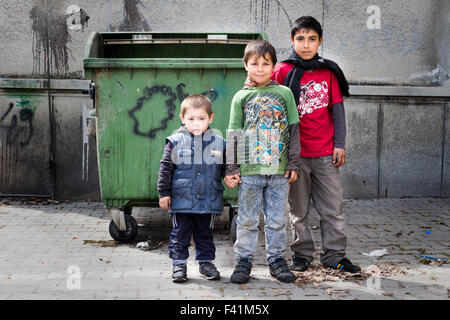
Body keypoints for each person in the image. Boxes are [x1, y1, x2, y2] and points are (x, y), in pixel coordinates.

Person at [271, 16, 361, 273]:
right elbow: (272, 107)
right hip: (295, 155)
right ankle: (301, 254)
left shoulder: (328, 72)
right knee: (298, 209)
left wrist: (340, 144)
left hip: (325, 153)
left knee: (332, 207)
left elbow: (338, 111)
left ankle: (334, 255)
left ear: (320, 41)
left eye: (312, 39)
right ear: (292, 40)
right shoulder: (282, 71)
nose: (306, 44)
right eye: (300, 39)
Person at [225, 39, 301, 284]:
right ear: (245, 65)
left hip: (279, 172)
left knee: (277, 219)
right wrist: (232, 167)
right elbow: (233, 133)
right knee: (247, 219)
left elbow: (294, 129)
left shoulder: (284, 93)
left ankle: (277, 260)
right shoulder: (241, 97)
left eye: (265, 64)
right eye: (254, 63)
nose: (260, 68)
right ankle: (243, 261)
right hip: (250, 172)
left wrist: (293, 163)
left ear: (274, 66)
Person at [157, 94, 226, 283]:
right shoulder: (175, 141)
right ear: (182, 119)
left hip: (208, 199)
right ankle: (179, 265)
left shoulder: (219, 143)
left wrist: (230, 176)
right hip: (182, 200)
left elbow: (226, 166)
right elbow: (166, 168)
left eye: (202, 119)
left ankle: (205, 263)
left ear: (211, 118)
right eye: (191, 119)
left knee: (205, 234)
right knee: (180, 234)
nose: (197, 124)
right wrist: (164, 193)